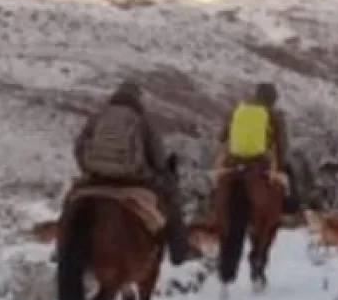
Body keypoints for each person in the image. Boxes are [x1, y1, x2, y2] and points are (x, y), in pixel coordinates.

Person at [73, 78, 194, 265]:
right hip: (131, 177)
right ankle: (179, 251)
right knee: (171, 198)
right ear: (137, 99)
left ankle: (62, 249)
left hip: (96, 176)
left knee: (71, 202)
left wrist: (88, 170)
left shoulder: (97, 117)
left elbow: (79, 147)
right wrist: (160, 174)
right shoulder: (141, 121)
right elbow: (158, 158)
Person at [217, 82, 300, 213]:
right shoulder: (274, 115)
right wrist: (281, 165)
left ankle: (208, 208)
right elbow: (281, 143)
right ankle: (290, 209)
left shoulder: (237, 110)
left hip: (234, 160)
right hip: (261, 160)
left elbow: (222, 137)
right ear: (272, 100)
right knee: (290, 177)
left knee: (217, 183)